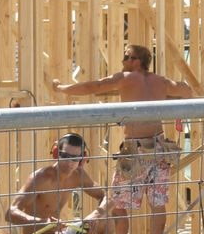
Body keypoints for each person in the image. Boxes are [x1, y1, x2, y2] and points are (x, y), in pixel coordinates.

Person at [52, 45, 193, 234]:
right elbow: (186, 91)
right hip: (159, 149)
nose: (122, 61)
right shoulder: (161, 81)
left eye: (126, 57)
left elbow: (94, 86)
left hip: (135, 150)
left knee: (117, 205)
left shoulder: (126, 78)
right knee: (157, 204)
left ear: (137, 61)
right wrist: (166, 101)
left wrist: (62, 88)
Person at [6, 132, 106, 234]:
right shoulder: (40, 178)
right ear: (56, 153)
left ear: (82, 159)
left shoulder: (78, 175)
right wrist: (41, 222)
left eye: (75, 158)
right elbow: (10, 213)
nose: (69, 162)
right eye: (65, 156)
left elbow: (104, 195)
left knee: (106, 222)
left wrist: (97, 215)